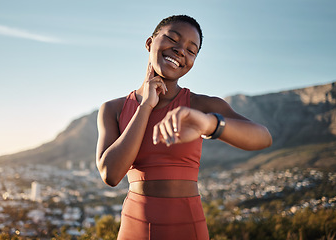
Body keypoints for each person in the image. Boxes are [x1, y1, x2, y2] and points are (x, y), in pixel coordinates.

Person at [96, 15, 272, 240]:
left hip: (188, 227)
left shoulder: (201, 105)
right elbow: (111, 174)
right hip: (134, 227)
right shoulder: (113, 108)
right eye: (173, 39)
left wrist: (209, 123)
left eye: (192, 50)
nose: (181, 51)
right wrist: (146, 107)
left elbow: (263, 137)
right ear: (150, 43)